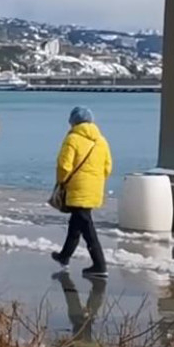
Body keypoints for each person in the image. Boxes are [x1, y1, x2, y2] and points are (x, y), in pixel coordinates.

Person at [51, 107, 113, 278]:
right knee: (76, 224)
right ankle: (64, 256)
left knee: (87, 227)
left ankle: (100, 265)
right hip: (95, 188)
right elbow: (108, 167)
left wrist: (61, 182)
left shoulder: (72, 139)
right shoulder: (101, 141)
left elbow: (64, 166)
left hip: (77, 188)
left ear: (73, 121)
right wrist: (97, 181)